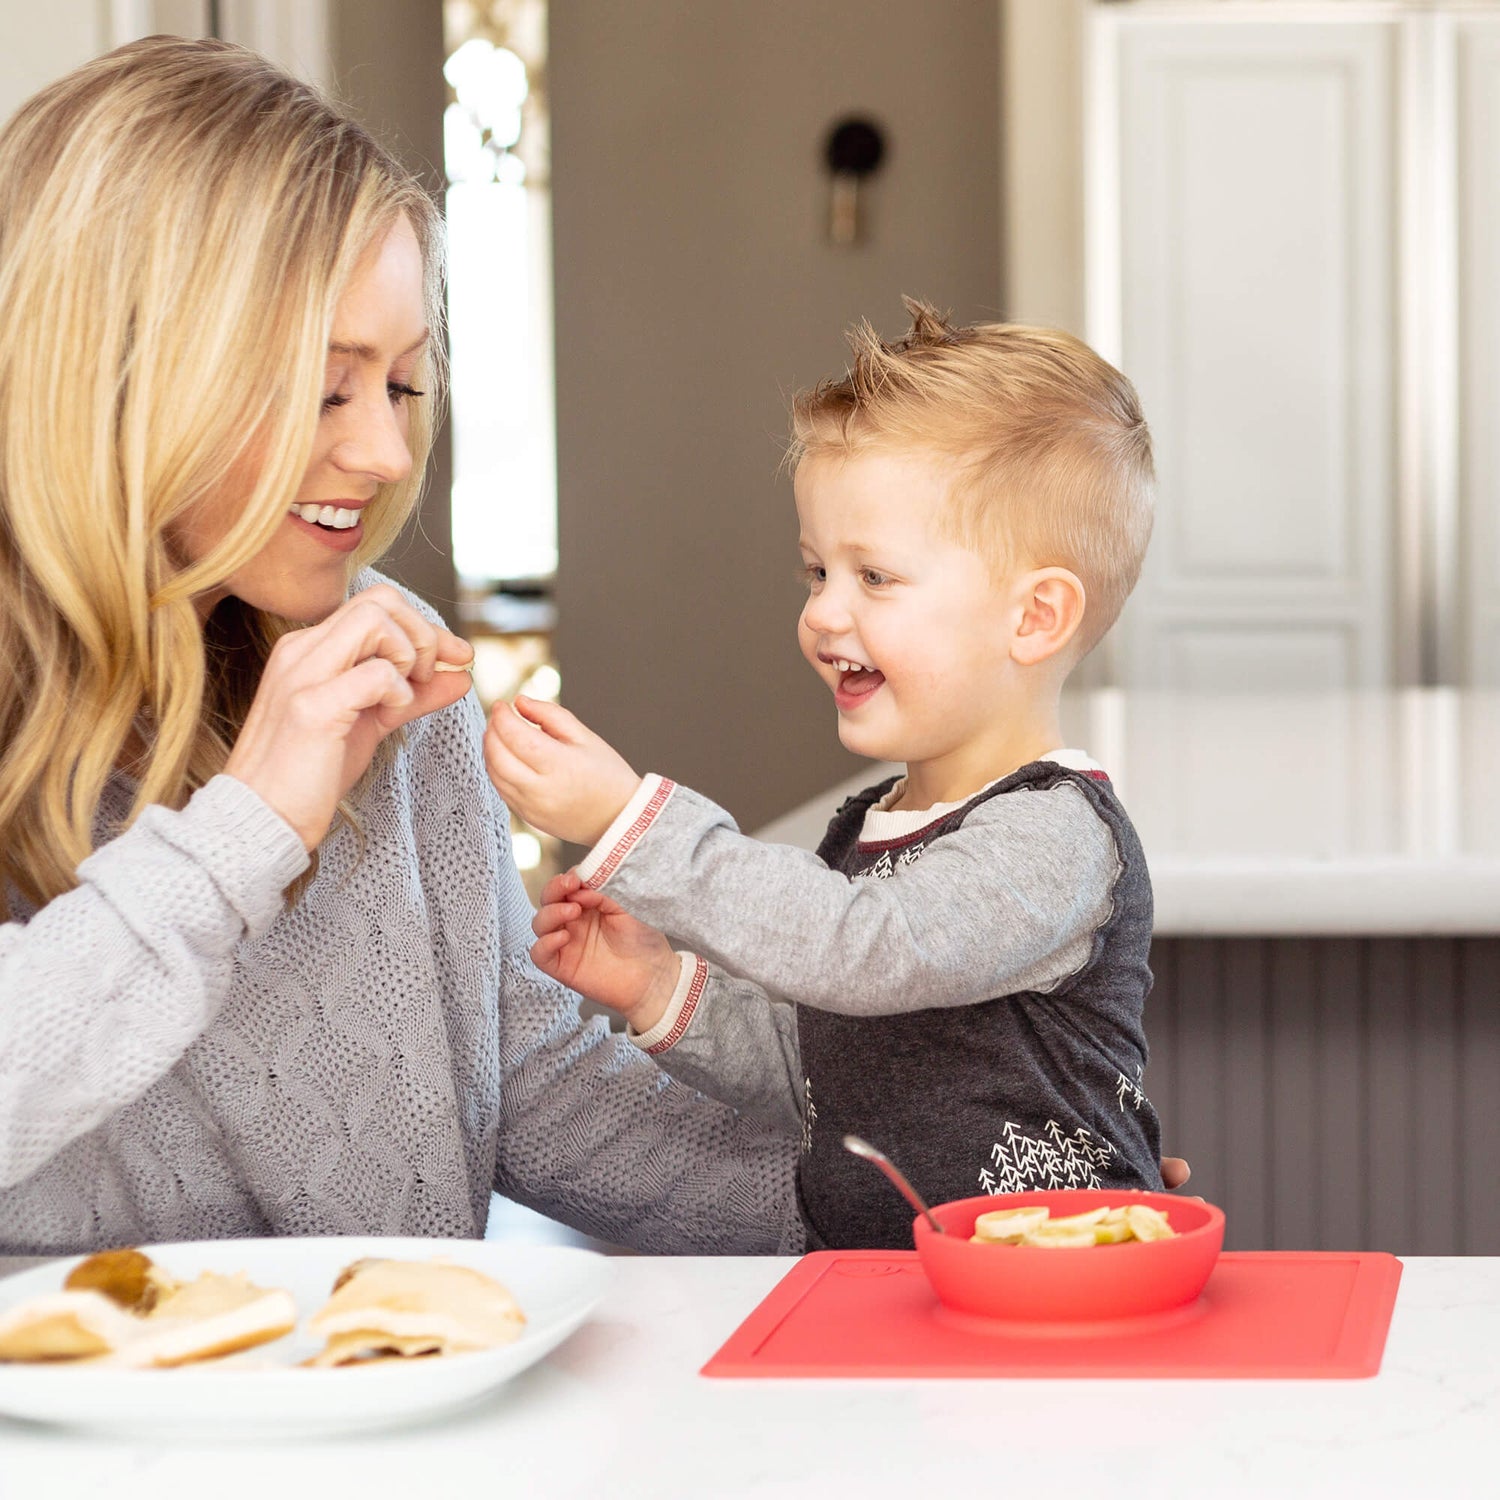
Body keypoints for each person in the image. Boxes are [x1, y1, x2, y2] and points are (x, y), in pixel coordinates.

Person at [0, 36, 802, 1257]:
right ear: (117, 378)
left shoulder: (374, 670)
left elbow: (519, 1076)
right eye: (326, 389)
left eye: (403, 388)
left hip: (392, 1416)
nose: (381, 454)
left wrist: (925, 1205)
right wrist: (244, 833)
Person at [486, 302, 1169, 1249]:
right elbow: (831, 1071)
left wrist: (626, 820)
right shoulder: (871, 827)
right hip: (885, 1294)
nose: (824, 615)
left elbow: (863, 952)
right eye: (816, 573)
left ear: (1035, 618)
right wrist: (658, 987)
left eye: (875, 578)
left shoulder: (1054, 835)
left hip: (1061, 1296)